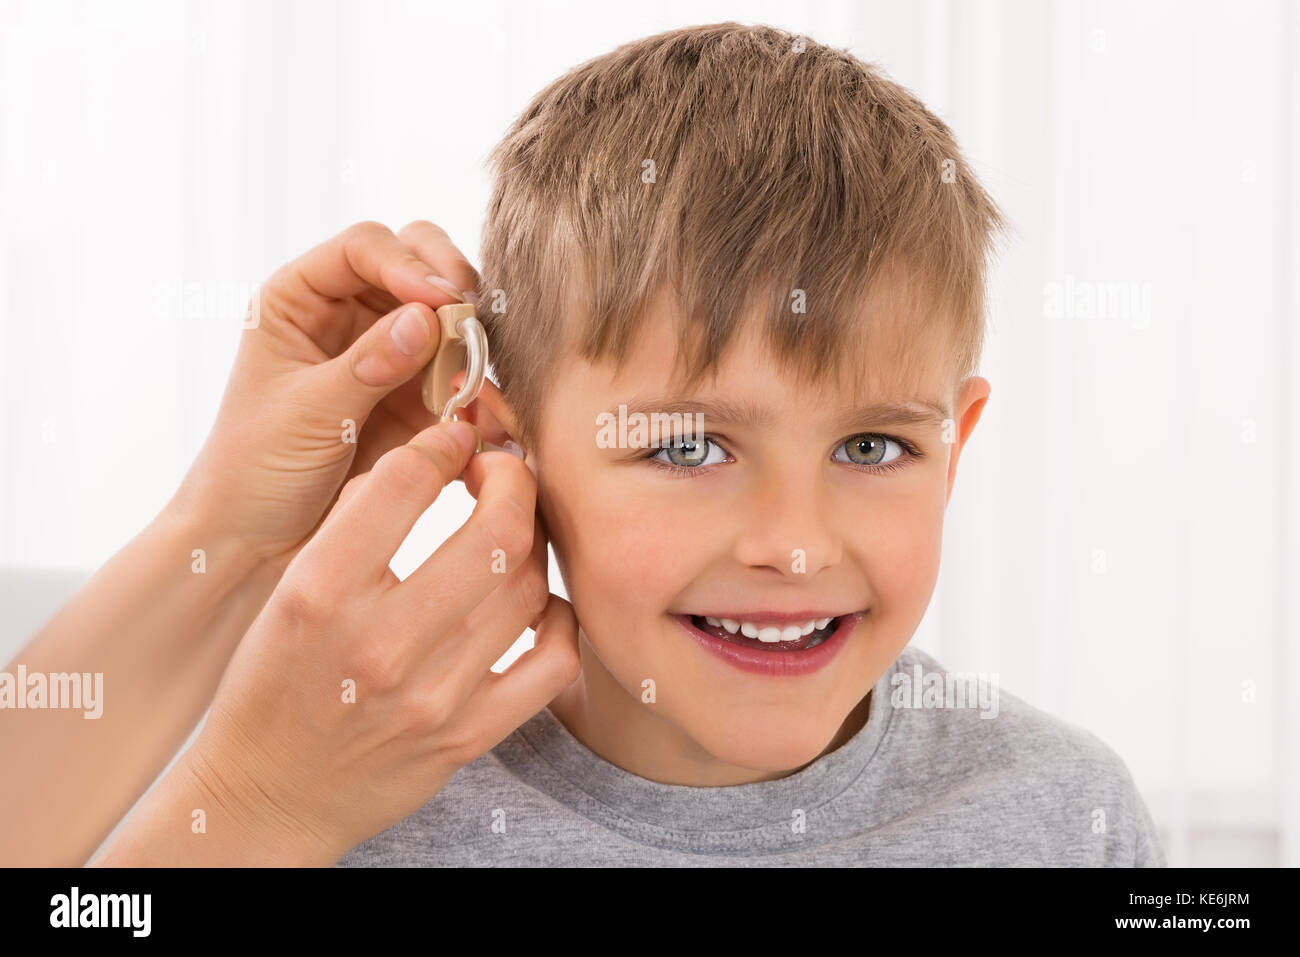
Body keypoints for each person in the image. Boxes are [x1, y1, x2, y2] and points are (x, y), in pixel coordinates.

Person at [12, 22, 1166, 867]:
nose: (793, 546)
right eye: (685, 449)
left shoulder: (1065, 816)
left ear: (956, 447)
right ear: (509, 452)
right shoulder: (329, 780)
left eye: (870, 449)